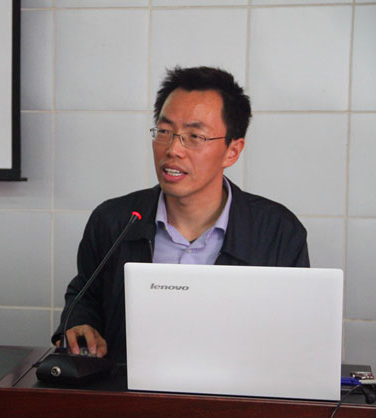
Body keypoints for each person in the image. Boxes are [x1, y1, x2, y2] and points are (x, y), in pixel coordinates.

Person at [52, 66, 309, 366]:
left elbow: (296, 334)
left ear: (232, 151)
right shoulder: (116, 220)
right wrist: (80, 324)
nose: (173, 149)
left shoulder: (278, 231)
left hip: (234, 392)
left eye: (194, 136)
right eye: (164, 132)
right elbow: (85, 295)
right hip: (125, 390)